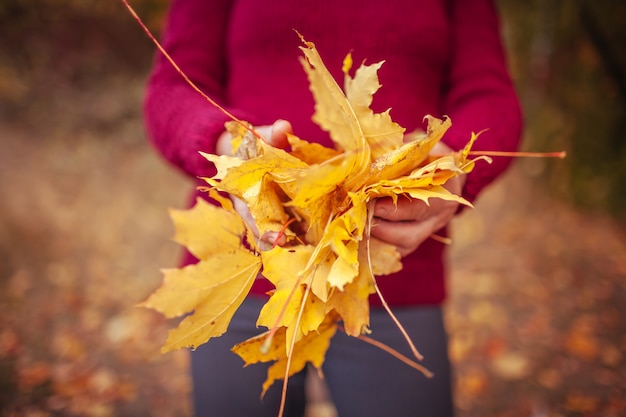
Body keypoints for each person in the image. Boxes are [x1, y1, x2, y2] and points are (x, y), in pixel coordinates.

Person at [143, 1, 522, 416]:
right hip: (245, 266)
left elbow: (490, 96)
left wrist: (455, 166)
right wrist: (228, 145)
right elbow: (172, 89)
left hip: (392, 282)